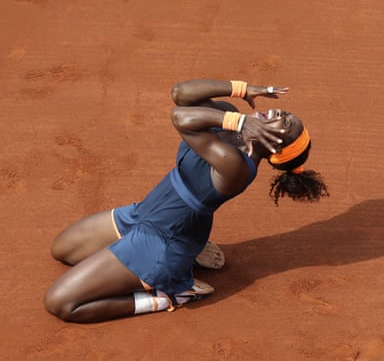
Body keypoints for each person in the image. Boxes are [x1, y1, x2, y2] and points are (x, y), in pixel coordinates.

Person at [44, 78, 329, 323]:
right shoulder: (230, 122)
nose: (279, 111)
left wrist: (241, 121)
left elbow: (181, 118)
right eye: (285, 113)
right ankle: (193, 250)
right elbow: (181, 93)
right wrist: (242, 90)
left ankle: (170, 295)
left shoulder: (236, 167)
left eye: (285, 121)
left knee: (60, 303)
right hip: (145, 213)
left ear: (275, 144)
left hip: (160, 244)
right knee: (63, 250)